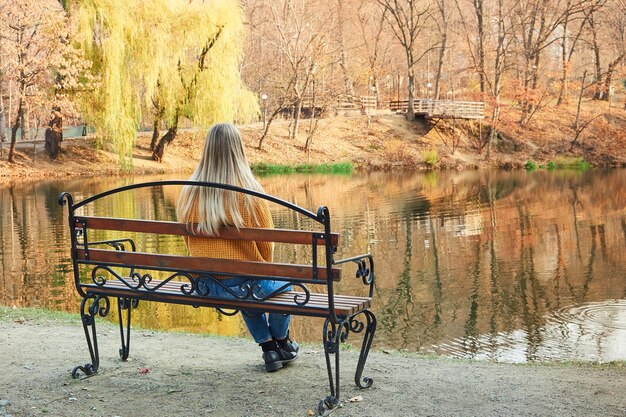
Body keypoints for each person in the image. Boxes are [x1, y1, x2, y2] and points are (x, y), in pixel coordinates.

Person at [177, 123, 299, 372]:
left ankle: (269, 350)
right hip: (244, 284)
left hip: (206, 285)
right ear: (238, 150)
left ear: (207, 151)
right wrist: (261, 267)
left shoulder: (189, 193)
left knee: (245, 289)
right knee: (284, 287)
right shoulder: (250, 193)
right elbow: (267, 246)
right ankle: (281, 341)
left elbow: (188, 242)